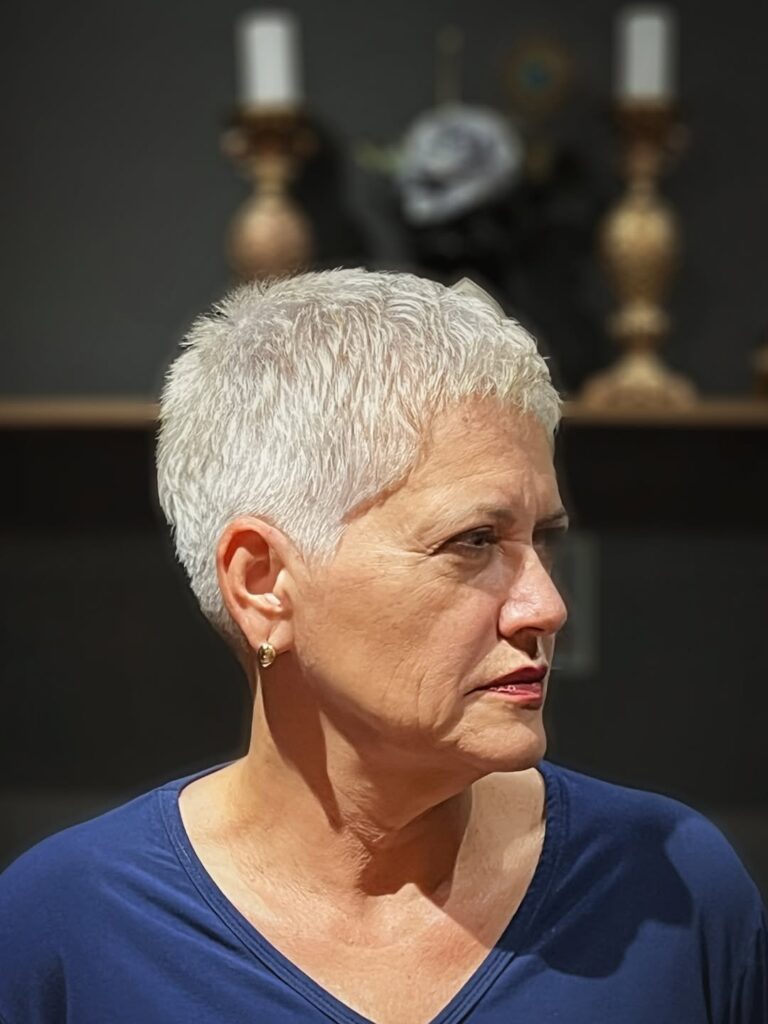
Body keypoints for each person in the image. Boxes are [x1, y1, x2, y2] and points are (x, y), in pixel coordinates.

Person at [0, 269, 765, 1023]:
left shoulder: (673, 892)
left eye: (544, 541)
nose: (547, 607)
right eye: (473, 542)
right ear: (263, 583)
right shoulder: (64, 933)